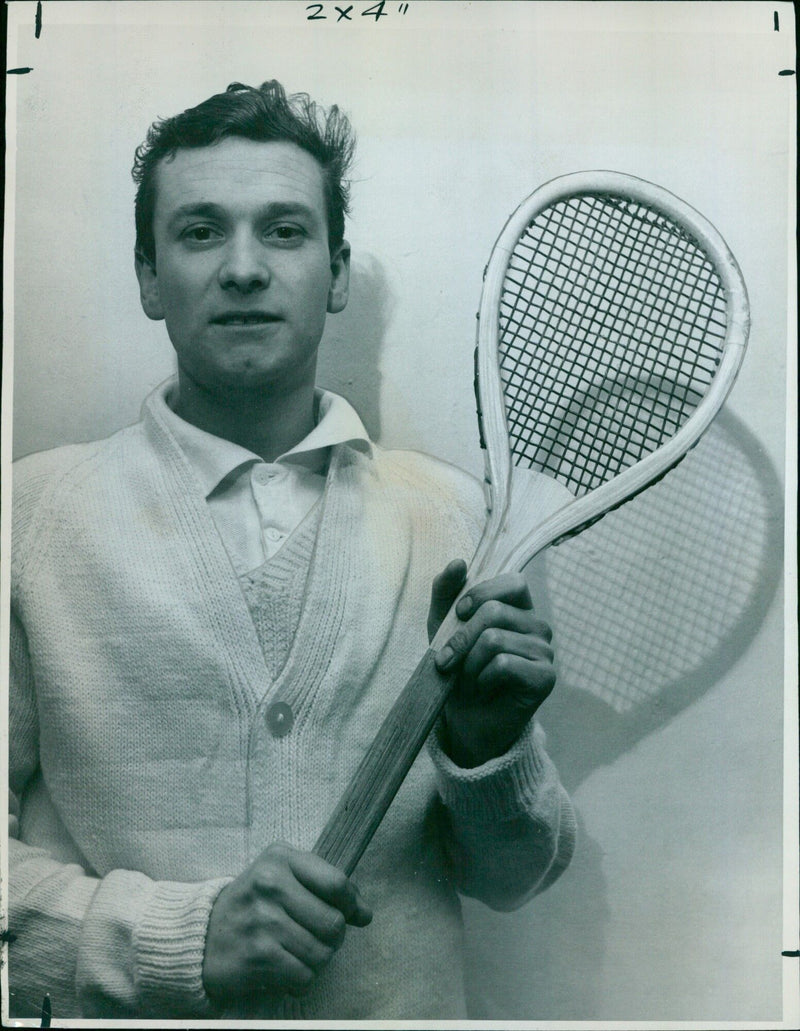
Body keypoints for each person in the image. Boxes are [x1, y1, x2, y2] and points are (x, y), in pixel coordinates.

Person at [7, 80, 575, 1020]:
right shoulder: (26, 515)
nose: (242, 267)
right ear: (148, 277)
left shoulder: (453, 517)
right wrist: (179, 938)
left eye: (283, 230)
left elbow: (512, 878)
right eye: (199, 232)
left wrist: (489, 743)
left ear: (337, 270)